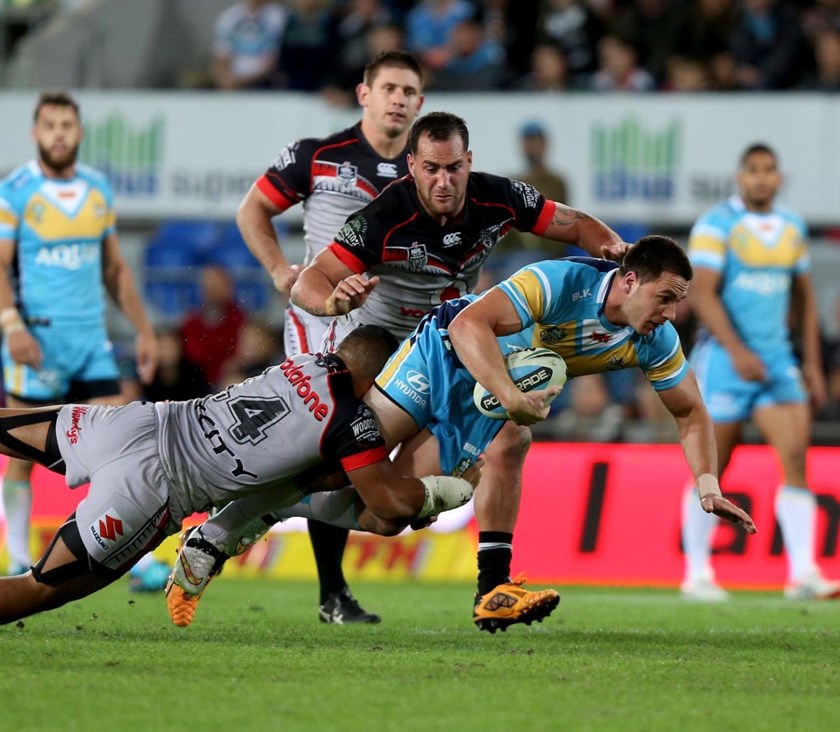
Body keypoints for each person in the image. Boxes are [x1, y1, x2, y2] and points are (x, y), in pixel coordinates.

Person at [175, 110, 628, 633]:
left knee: (490, 455)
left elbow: (575, 224)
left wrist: (618, 256)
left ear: (469, 162)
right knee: (348, 482)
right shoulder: (383, 216)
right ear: (411, 166)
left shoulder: (497, 197)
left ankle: (493, 588)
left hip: (456, 345)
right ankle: (233, 518)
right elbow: (310, 282)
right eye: (432, 168)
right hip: (386, 349)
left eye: (454, 167)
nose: (444, 180)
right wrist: (332, 301)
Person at [166, 236, 757, 632]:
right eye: (666, 297)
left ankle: (488, 591)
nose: (672, 314)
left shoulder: (651, 338)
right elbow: (473, 321)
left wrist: (706, 483)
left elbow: (690, 413)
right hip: (445, 352)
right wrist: (509, 399)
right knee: (339, 463)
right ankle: (220, 527)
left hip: (491, 396)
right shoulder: (561, 282)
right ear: (629, 281)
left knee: (387, 513)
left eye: (679, 303)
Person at [0, 325, 480, 626]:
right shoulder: (350, 422)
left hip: (136, 423)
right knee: (41, 588)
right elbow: (388, 505)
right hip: (151, 486)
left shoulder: (304, 362)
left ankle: (226, 530)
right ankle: (224, 531)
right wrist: (451, 490)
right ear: (378, 379)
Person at [235, 50, 425, 624]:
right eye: (388, 87)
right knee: (333, 441)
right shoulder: (318, 157)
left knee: (350, 454)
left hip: (391, 329)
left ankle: (258, 530)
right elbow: (253, 211)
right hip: (322, 322)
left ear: (421, 103)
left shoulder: (427, 174)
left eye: (409, 91)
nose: (398, 99)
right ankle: (326, 588)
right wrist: (277, 271)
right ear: (364, 94)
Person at [0, 90, 158, 577]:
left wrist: (145, 330)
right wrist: (11, 326)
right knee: (23, 451)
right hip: (38, 342)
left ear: (80, 132)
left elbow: (114, 269)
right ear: (35, 132)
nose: (59, 134)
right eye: (50, 125)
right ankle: (21, 556)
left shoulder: (97, 189)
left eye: (67, 125)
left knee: (122, 451)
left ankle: (135, 561)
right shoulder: (16, 190)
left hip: (92, 344)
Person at [680, 143, 840, 601]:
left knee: (795, 459)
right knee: (713, 466)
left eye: (769, 170)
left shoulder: (791, 227)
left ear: (778, 176)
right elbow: (704, 295)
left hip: (777, 362)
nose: (761, 178)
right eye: (753, 170)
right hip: (726, 363)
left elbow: (803, 300)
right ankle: (697, 574)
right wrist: (738, 351)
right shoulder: (716, 225)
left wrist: (810, 363)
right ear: (740, 176)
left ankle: (804, 574)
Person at [212, 0, 288, 90]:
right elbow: (221, 59)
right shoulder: (228, 18)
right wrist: (225, 81)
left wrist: (240, 82)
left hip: (264, 84)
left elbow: (272, 63)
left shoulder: (278, 16)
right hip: (233, 85)